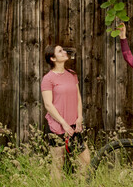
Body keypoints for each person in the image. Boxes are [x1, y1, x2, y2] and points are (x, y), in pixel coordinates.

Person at [41, 44, 90, 180]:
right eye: (60, 51)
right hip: (57, 127)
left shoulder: (72, 75)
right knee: (58, 163)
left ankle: (81, 183)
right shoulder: (48, 78)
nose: (64, 52)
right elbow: (48, 104)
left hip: (75, 125)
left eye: (63, 50)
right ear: (52, 58)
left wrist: (79, 117)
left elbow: (78, 98)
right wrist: (63, 123)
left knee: (85, 159)